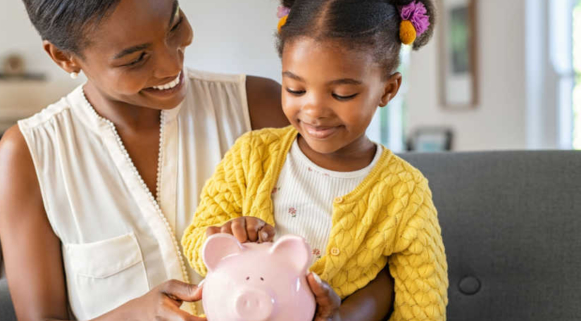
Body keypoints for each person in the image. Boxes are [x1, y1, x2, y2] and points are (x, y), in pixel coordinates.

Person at [0, 0, 394, 320]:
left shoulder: (260, 109)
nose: (172, 65)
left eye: (174, 26)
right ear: (65, 58)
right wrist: (135, 314)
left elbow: (384, 248)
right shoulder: (30, 155)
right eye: (135, 58)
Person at [182, 1, 448, 320]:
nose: (314, 110)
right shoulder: (252, 154)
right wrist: (228, 234)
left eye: (342, 94)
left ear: (388, 90)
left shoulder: (404, 192)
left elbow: (422, 307)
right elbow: (196, 241)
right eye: (296, 89)